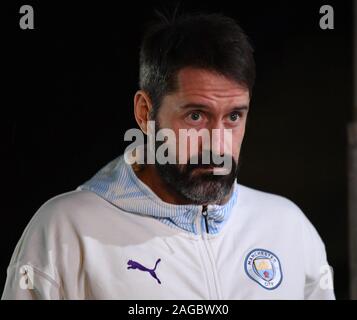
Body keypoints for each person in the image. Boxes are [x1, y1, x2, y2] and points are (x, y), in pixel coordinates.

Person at [2, 12, 335, 300]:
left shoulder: (288, 227)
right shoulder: (64, 231)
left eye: (234, 116)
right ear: (145, 112)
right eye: (196, 116)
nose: (217, 147)